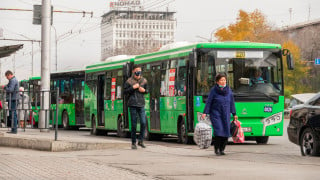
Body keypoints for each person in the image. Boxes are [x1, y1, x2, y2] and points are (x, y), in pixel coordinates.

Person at [201, 73, 238, 156]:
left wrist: (234, 114)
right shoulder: (213, 90)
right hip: (215, 114)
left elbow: (232, 103)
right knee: (218, 131)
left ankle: (222, 149)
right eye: (221, 80)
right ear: (217, 81)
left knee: (226, 132)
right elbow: (209, 101)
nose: (223, 81)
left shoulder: (229, 90)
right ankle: (216, 149)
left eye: (224, 80)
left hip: (226, 114)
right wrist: (205, 112)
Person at [124, 65, 148, 149]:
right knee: (134, 124)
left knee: (143, 122)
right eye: (137, 71)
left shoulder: (144, 81)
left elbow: (147, 90)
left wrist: (144, 90)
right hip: (132, 104)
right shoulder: (129, 81)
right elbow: (125, 92)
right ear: (133, 72)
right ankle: (133, 142)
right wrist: (133, 88)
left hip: (141, 104)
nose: (139, 73)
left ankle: (141, 140)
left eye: (140, 71)